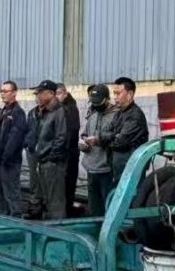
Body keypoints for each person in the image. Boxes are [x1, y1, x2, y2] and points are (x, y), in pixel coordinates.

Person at [23, 80, 68, 220]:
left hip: (52, 162)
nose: (38, 96)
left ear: (51, 93)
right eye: (37, 94)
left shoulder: (59, 111)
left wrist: (51, 157)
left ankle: (58, 227)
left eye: (41, 93)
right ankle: (49, 225)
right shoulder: (41, 111)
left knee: (55, 200)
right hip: (42, 160)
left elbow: (61, 137)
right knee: (46, 197)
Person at [96, 76, 148, 180]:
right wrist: (114, 135)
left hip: (131, 170)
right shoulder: (119, 113)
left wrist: (105, 140)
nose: (115, 97)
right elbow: (103, 132)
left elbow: (120, 142)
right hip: (119, 168)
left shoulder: (135, 116)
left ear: (130, 94)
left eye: (118, 93)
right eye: (114, 93)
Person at [79, 84, 118, 216]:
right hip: (91, 168)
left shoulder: (116, 116)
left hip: (106, 169)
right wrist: (83, 144)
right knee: (94, 206)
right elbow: (84, 134)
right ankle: (96, 225)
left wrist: (99, 141)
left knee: (108, 204)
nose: (95, 105)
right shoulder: (93, 115)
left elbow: (118, 139)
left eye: (98, 102)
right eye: (93, 102)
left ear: (107, 99)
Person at [0, 81, 27, 217]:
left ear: (14, 93)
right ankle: (4, 219)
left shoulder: (17, 113)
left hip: (9, 162)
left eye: (6, 91)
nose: (2, 94)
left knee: (11, 193)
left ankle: (15, 220)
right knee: (0, 194)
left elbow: (15, 139)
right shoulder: (3, 112)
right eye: (1, 91)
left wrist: (5, 158)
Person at [56, 84, 81, 215]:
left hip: (69, 153)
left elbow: (71, 131)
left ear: (65, 93)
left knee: (68, 184)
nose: (56, 97)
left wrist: (61, 148)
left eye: (59, 93)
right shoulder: (61, 108)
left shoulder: (70, 109)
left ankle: (67, 210)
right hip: (66, 152)